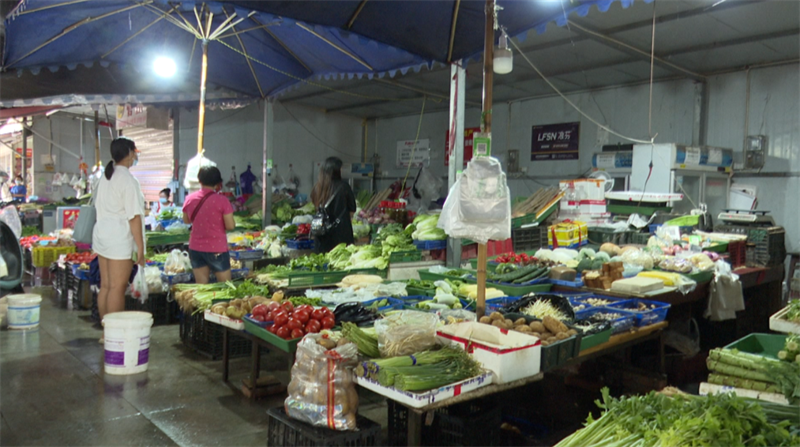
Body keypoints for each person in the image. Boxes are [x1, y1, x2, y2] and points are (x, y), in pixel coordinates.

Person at [92, 137, 145, 322]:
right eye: (134, 152)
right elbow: (134, 217)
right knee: (117, 287)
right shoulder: (128, 180)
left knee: (106, 286)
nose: (135, 156)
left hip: (102, 235)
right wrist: (140, 246)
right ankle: (112, 333)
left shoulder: (105, 177)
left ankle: (106, 332)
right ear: (129, 153)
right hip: (118, 238)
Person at [182, 166, 235, 284]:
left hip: (196, 248)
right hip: (217, 248)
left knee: (202, 288)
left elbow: (186, 220)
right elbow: (230, 226)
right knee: (226, 287)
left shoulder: (190, 199)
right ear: (217, 183)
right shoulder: (222, 201)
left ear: (200, 180)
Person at [310, 157, 356, 253]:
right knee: (341, 259)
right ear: (336, 171)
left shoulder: (317, 188)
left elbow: (316, 207)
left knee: (323, 260)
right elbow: (352, 210)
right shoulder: (344, 187)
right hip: (341, 235)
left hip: (322, 235)